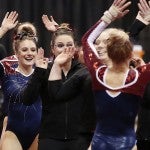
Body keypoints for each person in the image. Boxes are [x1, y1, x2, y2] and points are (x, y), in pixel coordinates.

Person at [81, 0, 150, 149]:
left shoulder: (97, 72)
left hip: (98, 144)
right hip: (127, 145)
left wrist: (109, 16)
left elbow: (87, 40)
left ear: (109, 53)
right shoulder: (139, 76)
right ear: (129, 52)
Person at [22, 18, 96, 149]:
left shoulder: (84, 71)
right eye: (60, 46)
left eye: (69, 45)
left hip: (79, 138)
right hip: (50, 137)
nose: (65, 50)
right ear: (52, 48)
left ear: (75, 48)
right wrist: (38, 72)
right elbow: (27, 99)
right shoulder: (44, 69)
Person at [0, 12, 42, 150]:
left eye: (32, 50)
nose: (29, 53)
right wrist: (3, 30)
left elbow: (69, 60)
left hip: (38, 132)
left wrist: (58, 32)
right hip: (13, 132)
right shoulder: (6, 69)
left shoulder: (43, 70)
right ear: (16, 53)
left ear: (37, 52)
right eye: (24, 50)